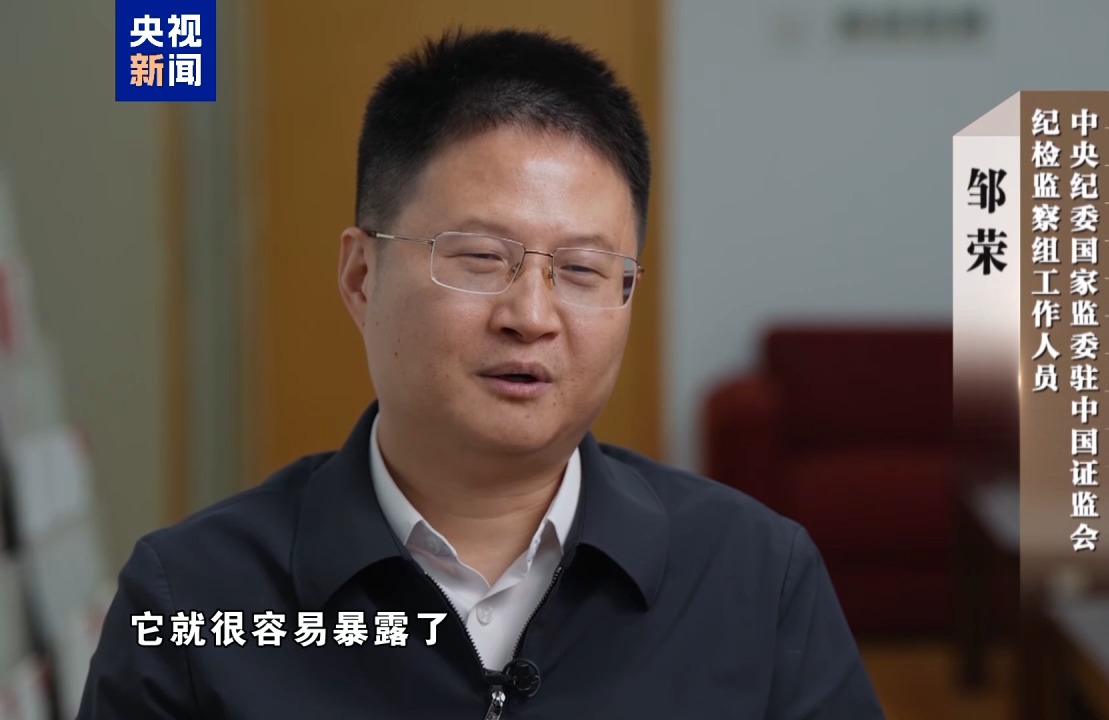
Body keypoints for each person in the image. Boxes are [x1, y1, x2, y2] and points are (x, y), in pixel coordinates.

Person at [77, 28, 884, 719]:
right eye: (479, 258)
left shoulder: (756, 579)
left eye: (582, 270)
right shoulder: (189, 599)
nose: (531, 315)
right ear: (361, 277)